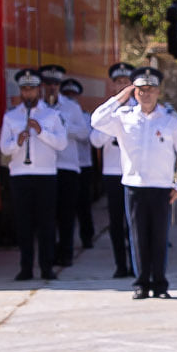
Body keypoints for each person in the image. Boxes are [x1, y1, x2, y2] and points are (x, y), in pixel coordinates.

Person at [91, 67, 177, 298]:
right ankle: (142, 284)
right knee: (138, 238)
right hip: (135, 187)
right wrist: (119, 97)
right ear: (135, 92)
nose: (146, 94)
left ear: (157, 91)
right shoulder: (123, 118)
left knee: (159, 238)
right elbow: (96, 120)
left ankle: (160, 284)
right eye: (140, 90)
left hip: (162, 188)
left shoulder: (170, 121)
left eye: (150, 90)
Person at [0, 68, 67, 281]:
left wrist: (41, 131)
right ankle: (26, 268)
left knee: (46, 223)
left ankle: (47, 267)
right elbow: (4, 148)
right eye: (24, 90)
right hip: (20, 174)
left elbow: (61, 143)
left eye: (32, 89)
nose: (28, 93)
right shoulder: (11, 116)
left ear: (39, 90)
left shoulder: (52, 115)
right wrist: (16, 142)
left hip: (45, 175)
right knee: (23, 224)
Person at [36, 65, 88, 269]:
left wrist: (63, 127)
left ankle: (66, 253)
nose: (52, 88)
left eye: (55, 84)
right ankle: (48, 255)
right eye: (48, 84)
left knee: (66, 214)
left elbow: (84, 134)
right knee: (47, 217)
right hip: (44, 168)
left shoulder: (71, 107)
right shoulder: (37, 108)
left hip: (67, 166)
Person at [90, 62, 137, 278]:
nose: (122, 86)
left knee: (134, 223)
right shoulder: (106, 112)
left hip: (135, 173)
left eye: (126, 82)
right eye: (118, 83)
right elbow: (96, 140)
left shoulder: (139, 108)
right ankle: (120, 264)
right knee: (116, 223)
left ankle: (138, 264)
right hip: (112, 173)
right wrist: (113, 126)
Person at [59, 79, 98, 254]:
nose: (71, 97)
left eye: (73, 94)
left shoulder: (85, 116)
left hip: (84, 164)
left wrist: (65, 128)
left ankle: (87, 236)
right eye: (67, 94)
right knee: (66, 207)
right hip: (68, 166)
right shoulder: (59, 112)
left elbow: (86, 136)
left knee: (84, 204)